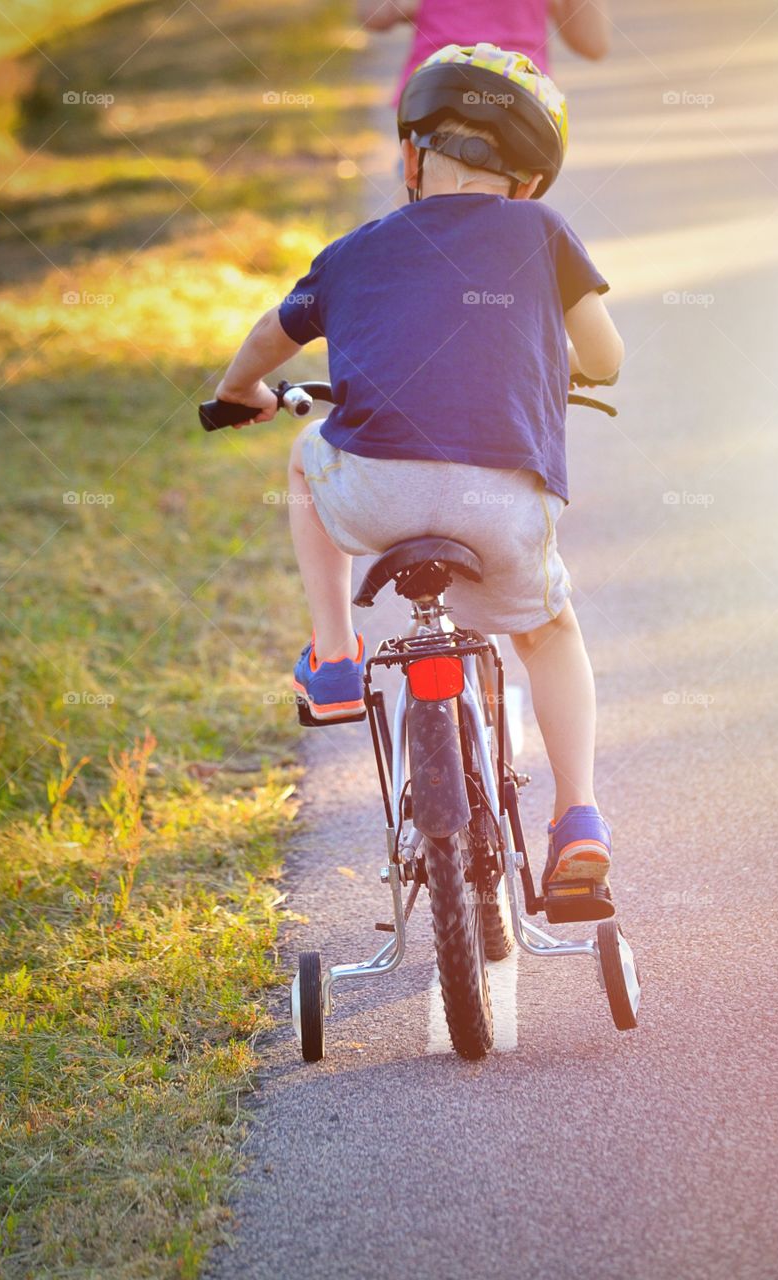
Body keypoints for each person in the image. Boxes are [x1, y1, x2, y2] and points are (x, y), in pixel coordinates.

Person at [214, 44, 623, 897]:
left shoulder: (354, 250)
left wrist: (239, 389)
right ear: (527, 185)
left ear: (411, 158)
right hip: (501, 505)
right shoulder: (543, 233)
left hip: (376, 494)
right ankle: (576, 816)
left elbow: (268, 334)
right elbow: (607, 359)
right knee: (549, 634)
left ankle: (331, 658)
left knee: (303, 456)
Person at [358, 0, 612, 102]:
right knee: (517, 203)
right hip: (519, 91)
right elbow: (593, 44)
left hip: (435, 88)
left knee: (418, 205)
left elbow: (374, 15)